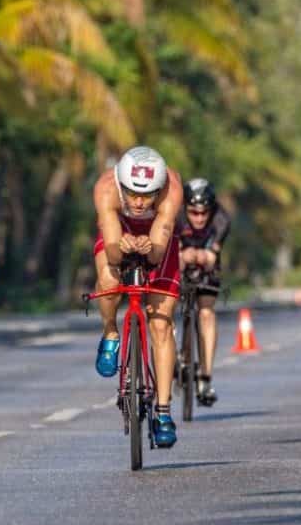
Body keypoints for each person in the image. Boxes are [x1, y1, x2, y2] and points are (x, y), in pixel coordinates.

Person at [91, 146, 185, 448]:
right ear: (120, 185)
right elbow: (114, 253)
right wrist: (124, 245)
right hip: (120, 230)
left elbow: (158, 253)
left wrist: (149, 247)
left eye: (148, 195)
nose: (140, 201)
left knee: (160, 323)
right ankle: (110, 332)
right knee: (108, 277)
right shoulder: (106, 190)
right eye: (132, 193)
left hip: (159, 238)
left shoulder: (172, 190)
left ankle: (162, 411)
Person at [177, 177, 231, 407]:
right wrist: (182, 256)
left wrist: (206, 256)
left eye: (203, 213)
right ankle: (175, 354)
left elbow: (214, 253)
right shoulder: (175, 216)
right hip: (178, 261)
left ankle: (205, 377)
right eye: (193, 212)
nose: (199, 218)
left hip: (206, 264)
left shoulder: (221, 219)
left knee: (206, 312)